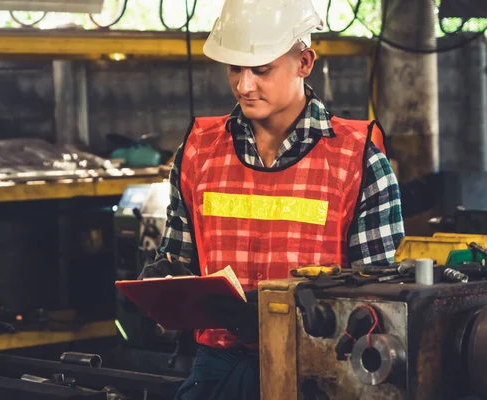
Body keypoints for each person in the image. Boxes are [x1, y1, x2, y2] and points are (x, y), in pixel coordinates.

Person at [139, 0, 405, 398]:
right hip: (217, 371)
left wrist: (278, 318)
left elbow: (378, 306)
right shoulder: (199, 151)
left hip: (321, 372)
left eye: (261, 70)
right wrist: (164, 279)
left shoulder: (358, 159)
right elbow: (182, 259)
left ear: (304, 62)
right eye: (235, 69)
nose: (244, 86)